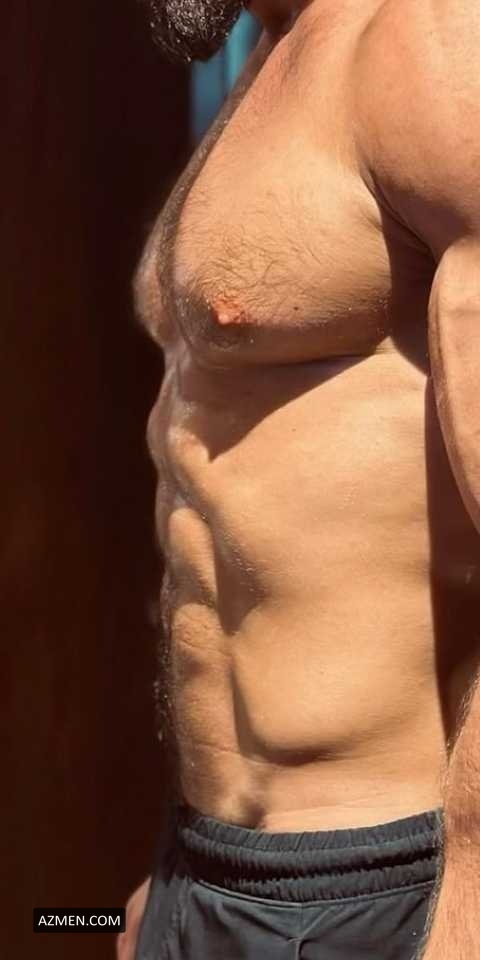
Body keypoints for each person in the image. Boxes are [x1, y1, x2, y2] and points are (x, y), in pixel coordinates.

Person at [117, 0, 480, 957]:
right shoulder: (271, 63)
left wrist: (473, 906)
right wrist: (173, 885)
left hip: (381, 881)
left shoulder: (428, 45)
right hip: (204, 868)